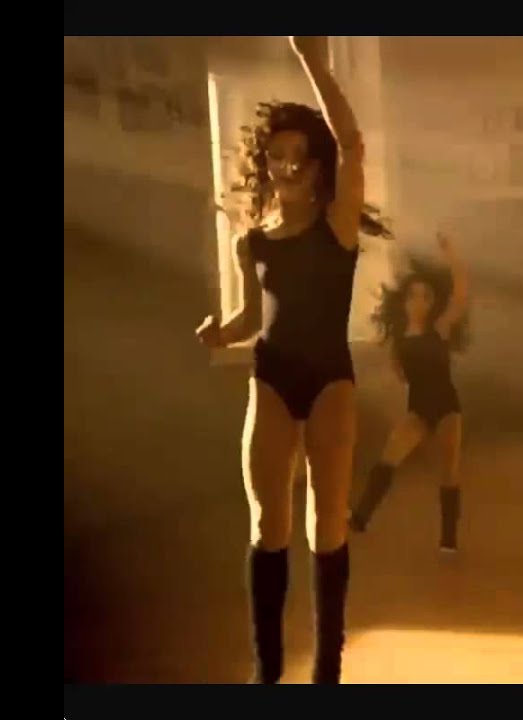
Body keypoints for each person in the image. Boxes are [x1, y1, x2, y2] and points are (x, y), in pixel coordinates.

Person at [194, 36, 390, 683]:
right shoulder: (252, 242)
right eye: (276, 157)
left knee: (327, 521)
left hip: (331, 379)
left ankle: (326, 669)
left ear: (318, 167)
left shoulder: (338, 225)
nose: (287, 168)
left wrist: (313, 62)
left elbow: (354, 144)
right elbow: (252, 317)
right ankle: (268, 669)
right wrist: (220, 334)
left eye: (299, 158)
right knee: (267, 523)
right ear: (264, 164)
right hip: (273, 378)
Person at [348, 232, 470, 554]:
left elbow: (460, 294)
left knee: (449, 472)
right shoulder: (398, 340)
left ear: (432, 303)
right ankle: (360, 518)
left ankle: (448, 539)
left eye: (425, 296)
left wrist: (450, 254)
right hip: (418, 410)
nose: (418, 301)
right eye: (413, 295)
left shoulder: (440, 328)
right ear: (403, 300)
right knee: (389, 457)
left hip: (447, 408)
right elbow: (400, 375)